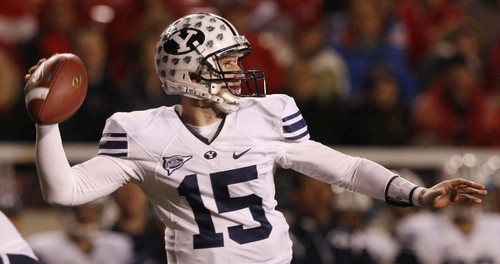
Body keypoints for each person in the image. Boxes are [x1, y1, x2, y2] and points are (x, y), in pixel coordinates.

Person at [25, 12, 487, 264]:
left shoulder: (268, 114)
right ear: (190, 72)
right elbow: (64, 190)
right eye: (225, 63)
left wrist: (417, 194)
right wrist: (47, 122)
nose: (239, 72)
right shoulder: (140, 131)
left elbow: (344, 168)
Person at [28, 198, 133, 264]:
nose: (86, 215)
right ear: (67, 213)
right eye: (80, 210)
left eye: (93, 210)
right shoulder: (42, 247)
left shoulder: (119, 245)